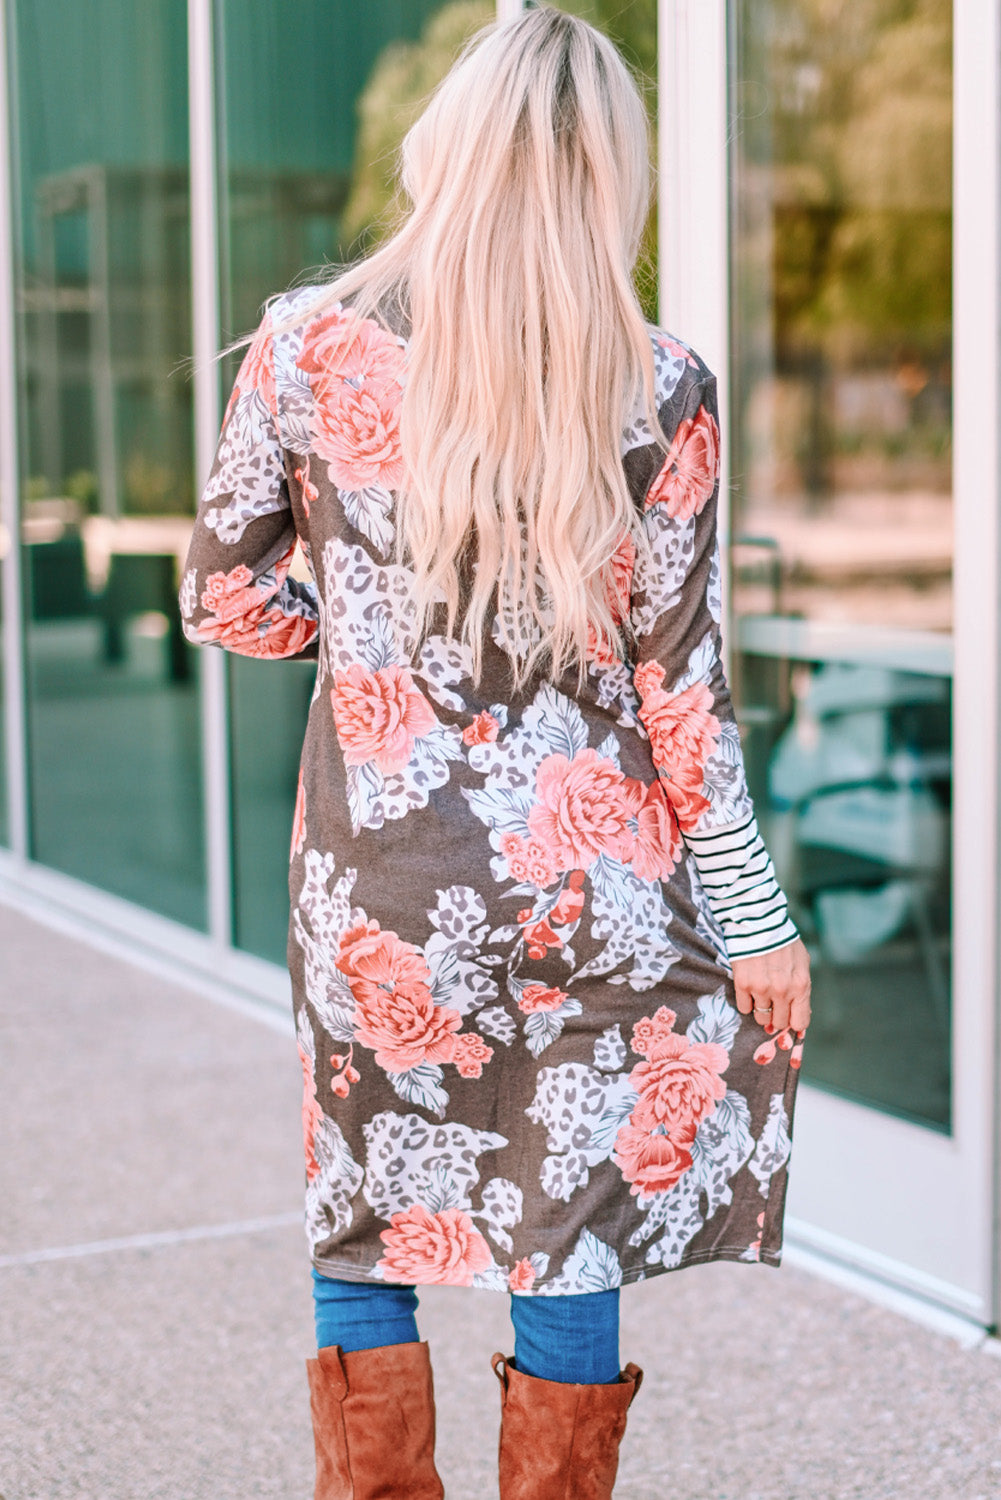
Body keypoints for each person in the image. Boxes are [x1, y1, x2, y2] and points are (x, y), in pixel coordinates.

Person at [178, 7, 812, 1497]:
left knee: (366, 1220)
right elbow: (681, 694)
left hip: (378, 890)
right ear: (609, 175)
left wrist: (366, 651)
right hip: (588, 899)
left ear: (445, 150)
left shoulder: (307, 347)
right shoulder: (659, 386)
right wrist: (754, 914)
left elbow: (222, 595)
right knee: (566, 1233)